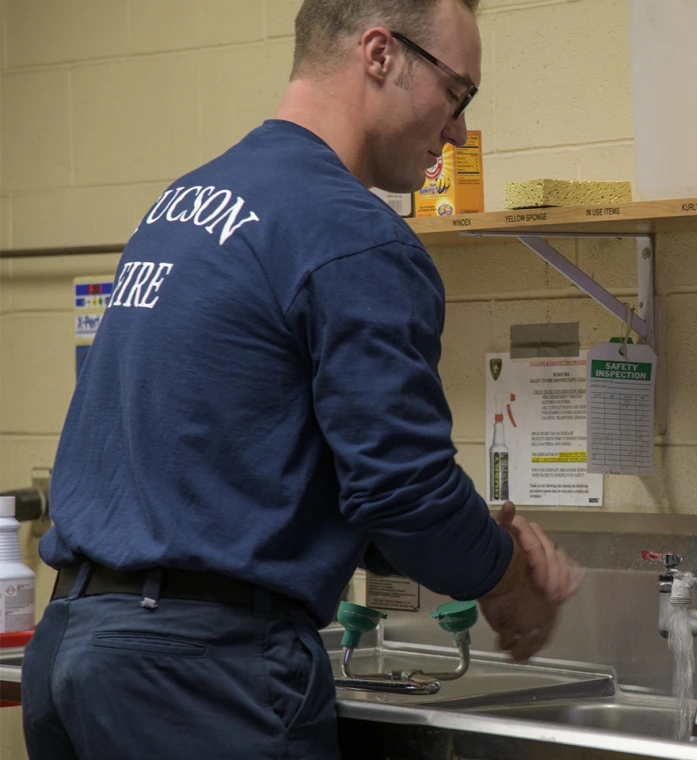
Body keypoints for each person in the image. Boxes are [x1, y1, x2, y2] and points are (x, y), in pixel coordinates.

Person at [21, 1, 581, 757]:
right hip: (199, 673)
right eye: (457, 94)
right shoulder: (350, 233)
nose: (458, 130)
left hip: (73, 653)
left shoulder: (181, 205)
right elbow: (404, 493)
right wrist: (506, 573)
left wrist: (475, 541)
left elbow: (268, 477)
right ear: (379, 54)